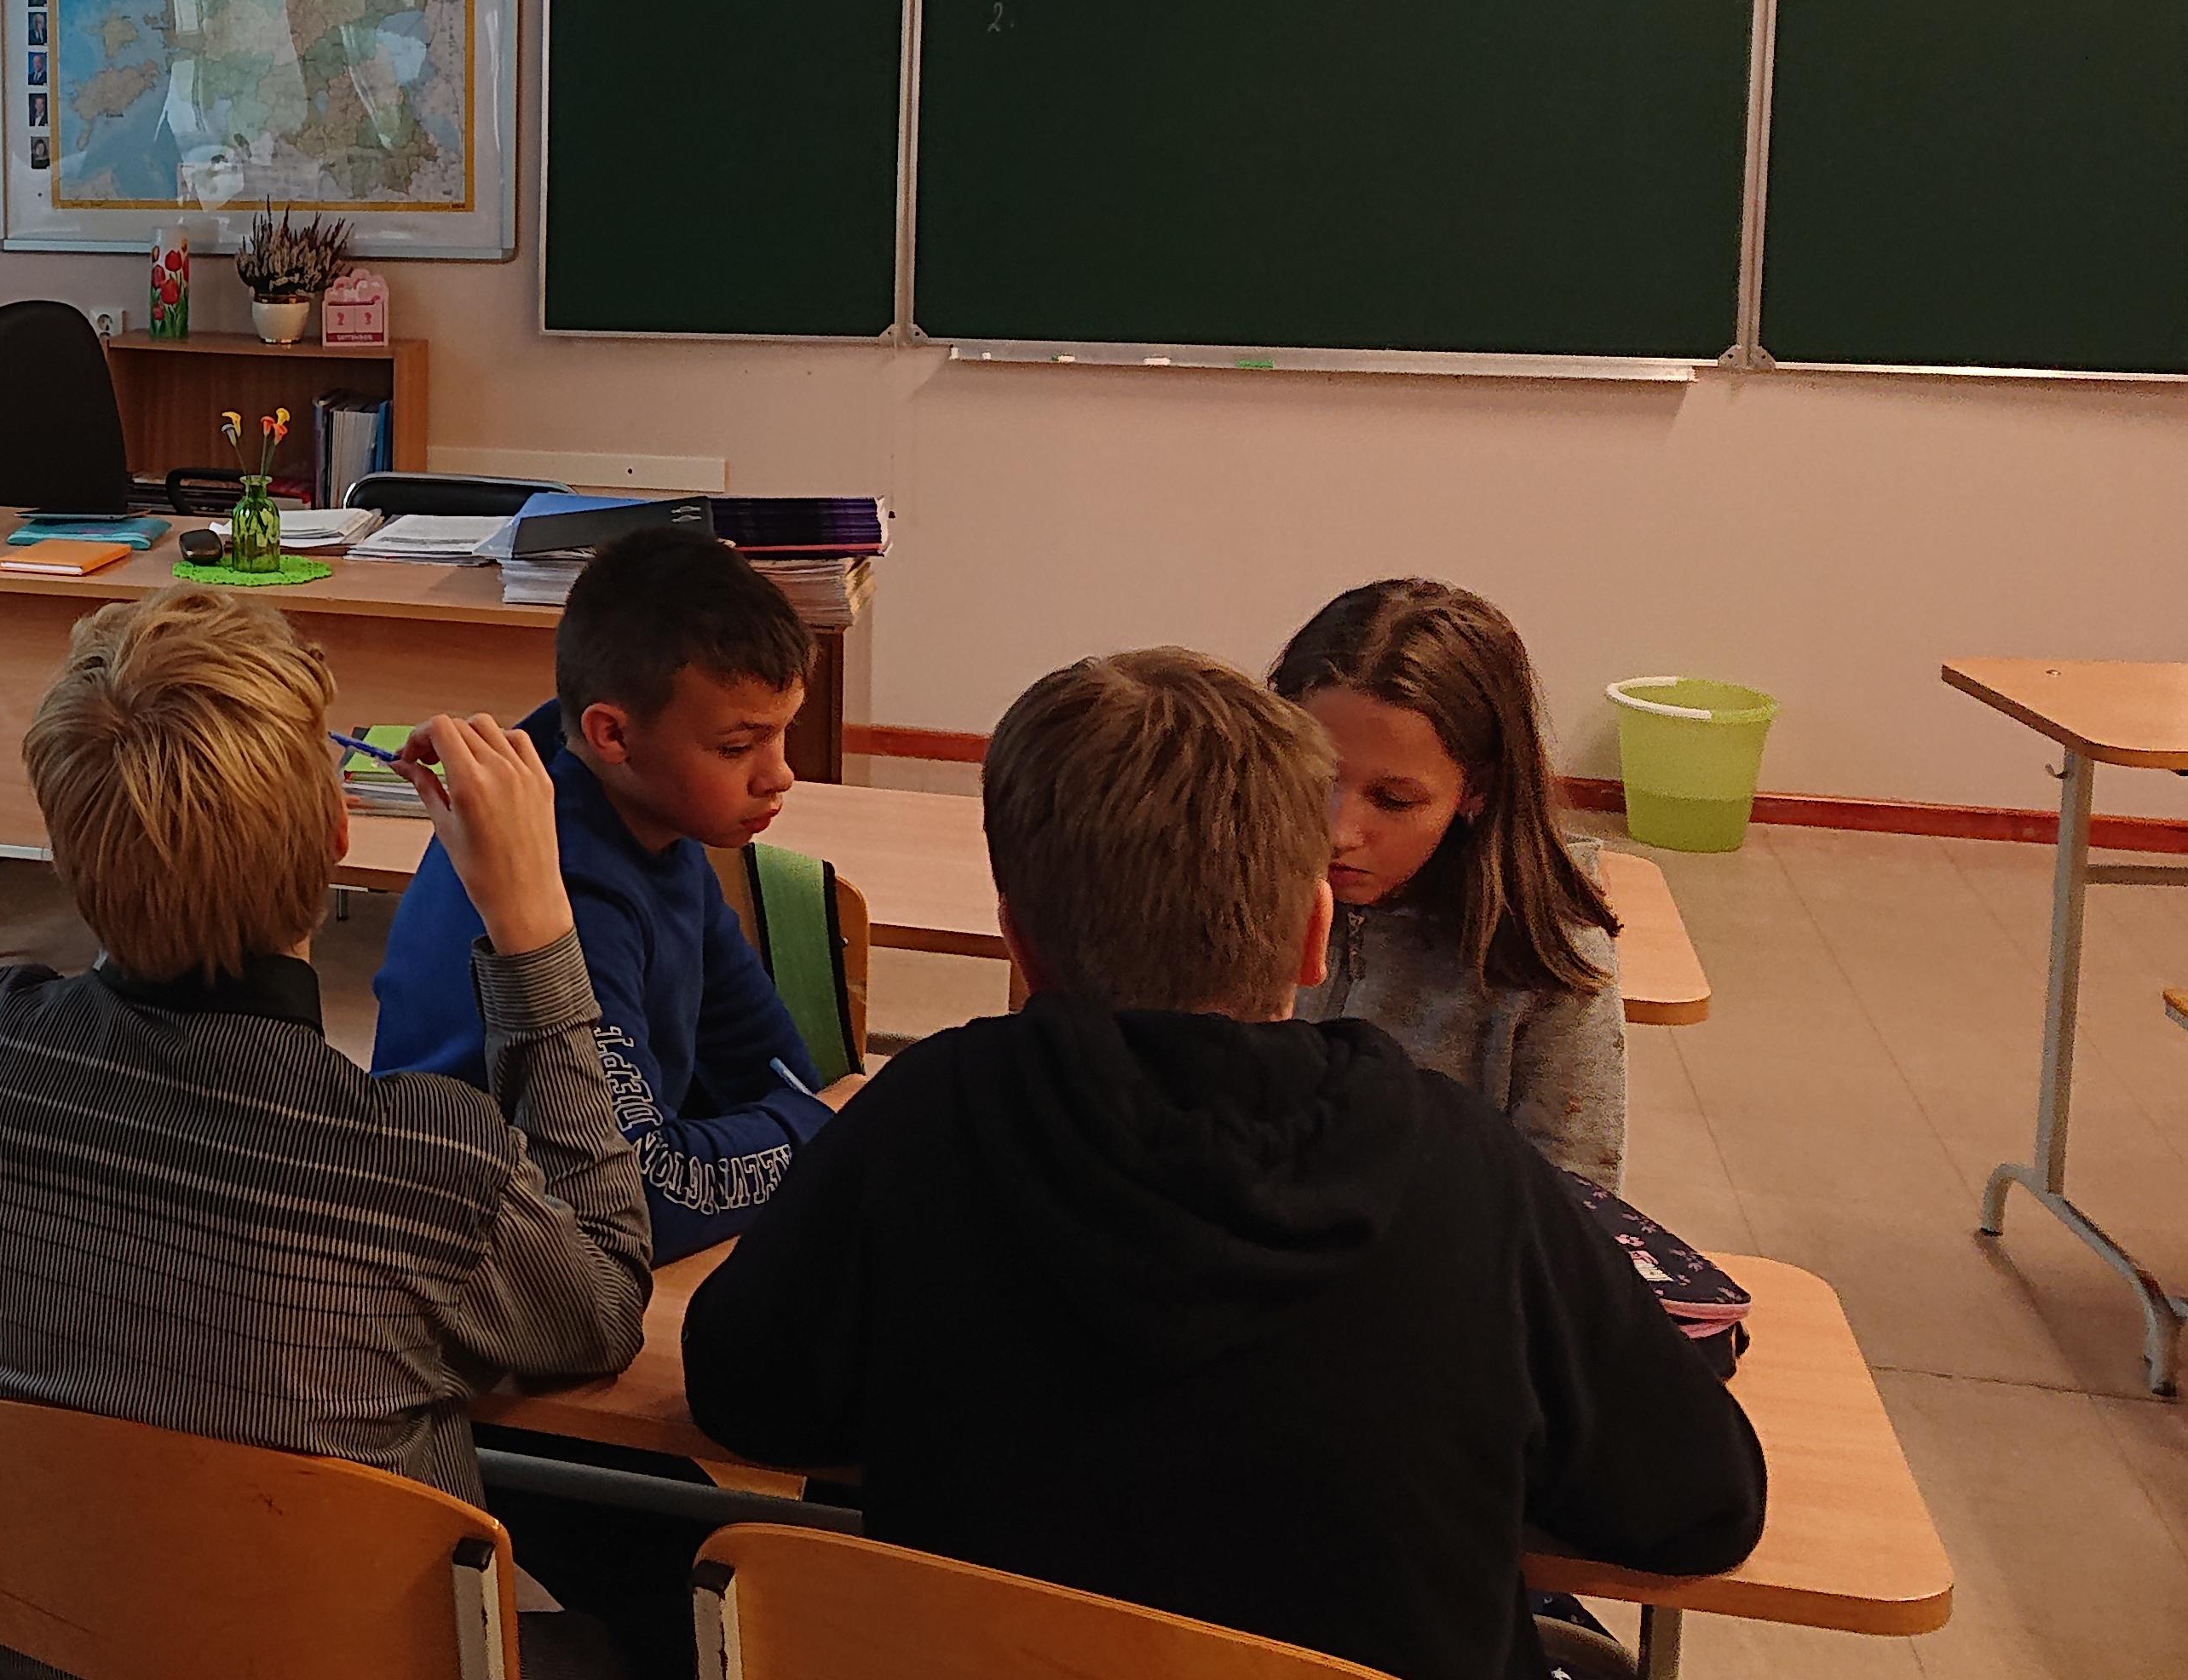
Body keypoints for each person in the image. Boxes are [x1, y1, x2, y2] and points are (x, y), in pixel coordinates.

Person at [680, 649, 1765, 1680]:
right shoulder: (1460, 1165)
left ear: (1015, 940)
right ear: (1311, 932)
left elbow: (744, 1396)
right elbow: (1700, 1506)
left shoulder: (924, 1116)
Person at [0, 588, 645, 1653]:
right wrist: (534, 933)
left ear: (64, 852)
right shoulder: (425, 1162)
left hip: (53, 1651)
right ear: (339, 833)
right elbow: (603, 1309)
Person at [370, 524, 836, 1257]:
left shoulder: (647, 813)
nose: (780, 775)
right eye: (737, 747)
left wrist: (812, 1125)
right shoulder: (567, 883)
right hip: (468, 1254)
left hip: (561, 1224)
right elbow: (643, 1196)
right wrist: (815, 1131)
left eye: (783, 734)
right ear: (612, 734)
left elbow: (766, 1063)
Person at [1275, 577, 1629, 1187]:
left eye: (1394, 800)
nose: (1338, 832)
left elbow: (1577, 1203)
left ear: (1477, 791)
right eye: (1313, 780)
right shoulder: (1225, 891)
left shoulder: (1549, 958)